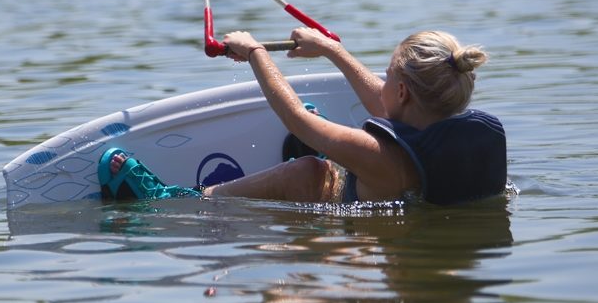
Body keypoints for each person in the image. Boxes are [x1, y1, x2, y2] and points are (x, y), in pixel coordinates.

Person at [98, 28, 507, 205]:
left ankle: (181, 201)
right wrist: (330, 49)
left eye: (387, 76)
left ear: (402, 91)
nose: (380, 84)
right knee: (327, 146)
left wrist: (255, 52)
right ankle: (324, 146)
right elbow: (387, 109)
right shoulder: (442, 128)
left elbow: (295, 117)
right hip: (396, 198)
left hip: (356, 221)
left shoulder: (379, 157)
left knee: (309, 171)